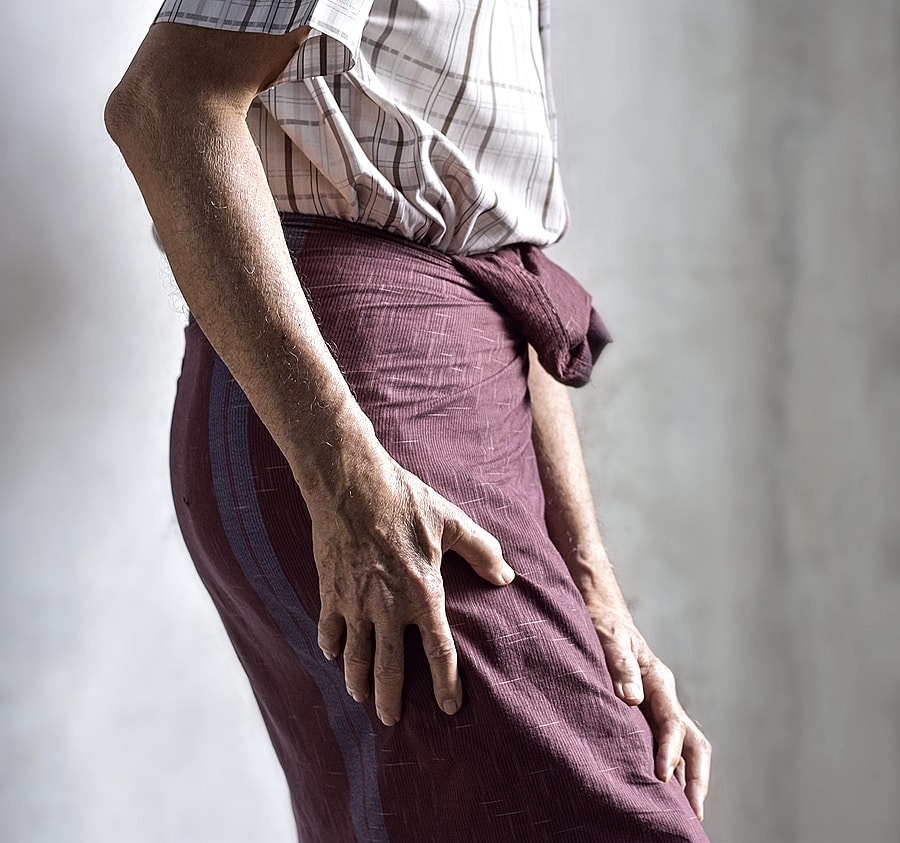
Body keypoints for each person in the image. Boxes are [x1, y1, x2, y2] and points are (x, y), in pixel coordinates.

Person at [105, 2, 712, 840]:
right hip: (370, 401)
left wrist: (592, 582)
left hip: (453, 393)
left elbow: (498, 252)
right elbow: (166, 105)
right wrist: (347, 479)